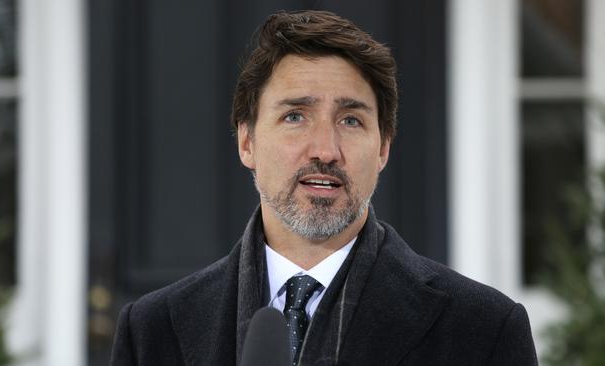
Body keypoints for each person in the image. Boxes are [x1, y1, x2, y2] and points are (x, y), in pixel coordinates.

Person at [110, 10, 538, 366]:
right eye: (295, 116)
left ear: (384, 148)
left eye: (351, 120)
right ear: (247, 142)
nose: (326, 150)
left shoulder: (482, 331)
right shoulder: (152, 332)